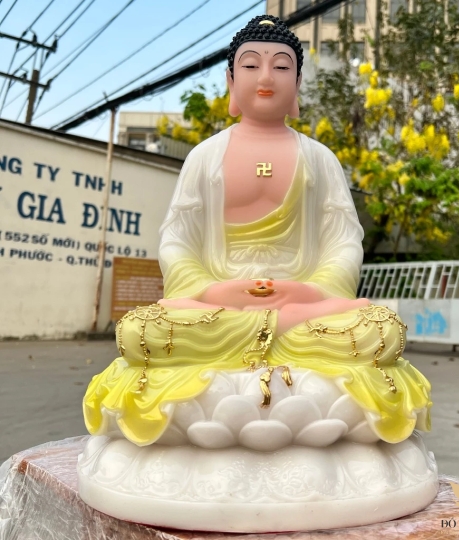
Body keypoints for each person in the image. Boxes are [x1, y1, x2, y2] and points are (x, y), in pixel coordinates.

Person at [83, 15, 431, 449]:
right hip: (219, 307)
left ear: (297, 82)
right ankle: (284, 354)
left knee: (378, 331)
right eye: (251, 65)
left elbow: (343, 241)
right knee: (141, 332)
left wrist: (310, 293)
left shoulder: (319, 159)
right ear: (231, 80)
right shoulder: (205, 156)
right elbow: (176, 240)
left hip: (303, 305)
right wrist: (212, 291)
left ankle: (259, 353)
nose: (266, 77)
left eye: (281, 67)